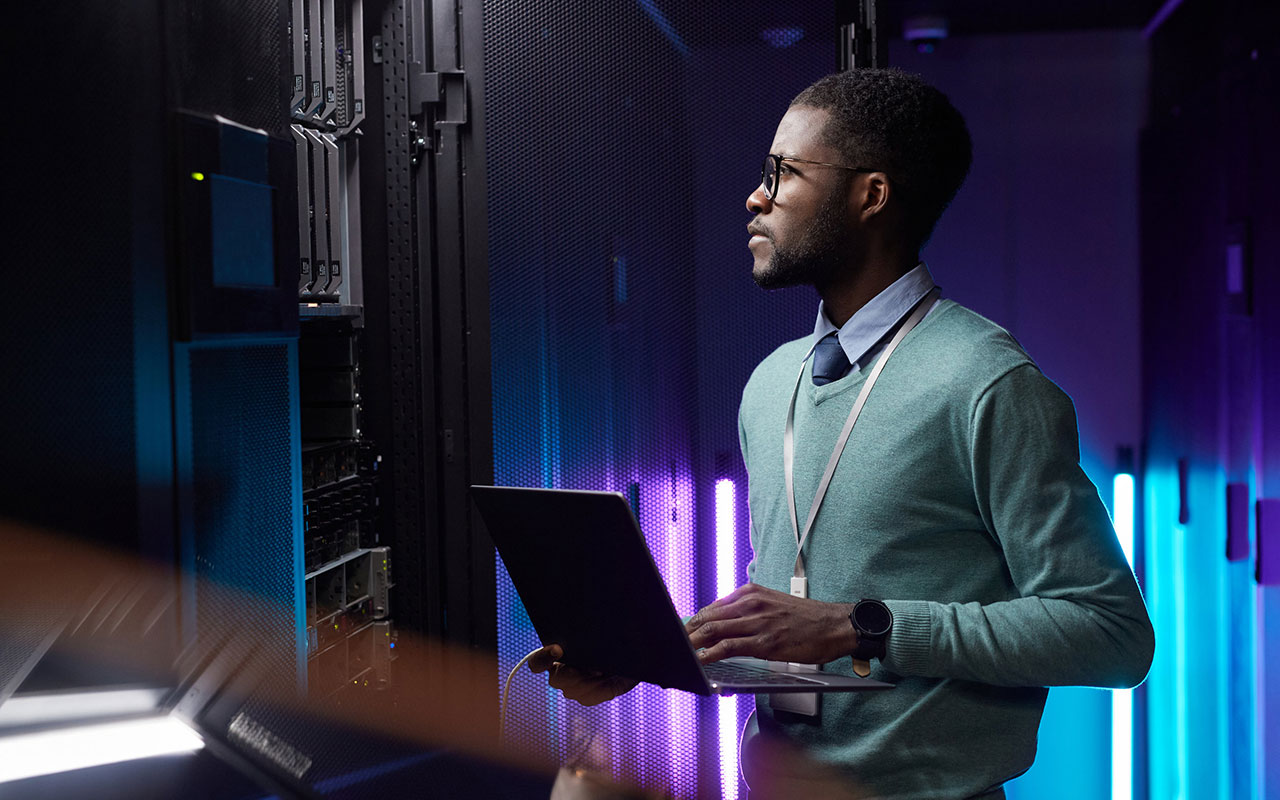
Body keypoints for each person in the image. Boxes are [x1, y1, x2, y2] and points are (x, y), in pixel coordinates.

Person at [530, 68, 1155, 800]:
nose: (755, 196)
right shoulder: (772, 381)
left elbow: (1110, 634)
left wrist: (860, 627)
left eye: (783, 172)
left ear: (872, 195)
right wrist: (649, 652)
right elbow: (793, 604)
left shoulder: (987, 383)